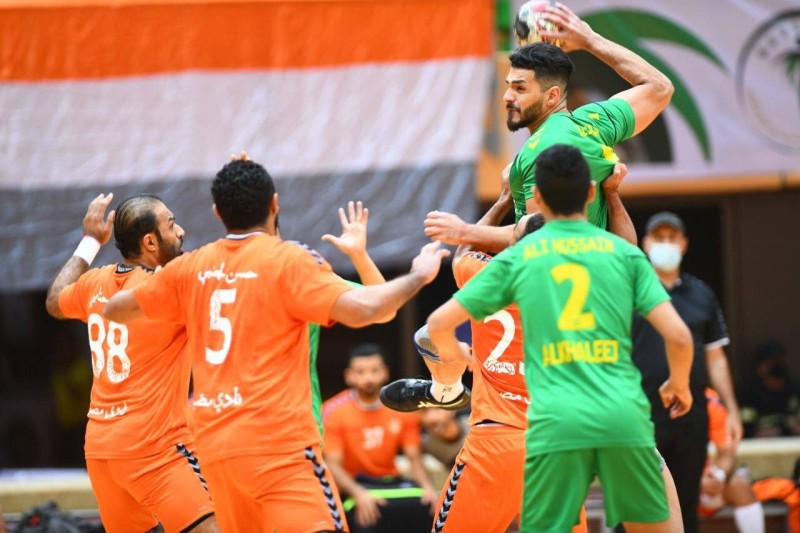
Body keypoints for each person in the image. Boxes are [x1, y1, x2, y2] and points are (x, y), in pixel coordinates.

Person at [104, 157, 450, 532]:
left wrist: (164, 286)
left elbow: (115, 309)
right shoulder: (292, 264)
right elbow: (374, 308)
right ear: (274, 204)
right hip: (280, 443)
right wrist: (419, 275)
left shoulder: (192, 268)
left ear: (217, 212)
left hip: (216, 447)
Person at [424, 144, 693, 531]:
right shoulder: (619, 259)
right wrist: (678, 384)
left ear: (536, 196)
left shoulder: (514, 265)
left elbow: (437, 323)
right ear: (590, 192)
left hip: (524, 431)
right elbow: (680, 337)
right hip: (608, 419)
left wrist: (455, 367)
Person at [423, 2, 674, 251]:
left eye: (520, 88)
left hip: (563, 274)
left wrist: (464, 231)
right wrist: (590, 40)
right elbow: (660, 88)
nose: (507, 97)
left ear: (552, 96)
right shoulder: (594, 122)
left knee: (466, 265)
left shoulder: (546, 148)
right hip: (594, 267)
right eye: (509, 86)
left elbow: (544, 236)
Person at [45, 194, 218, 532]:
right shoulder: (167, 289)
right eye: (171, 224)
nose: (181, 230)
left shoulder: (94, 283)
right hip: (155, 447)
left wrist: (91, 241)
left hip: (102, 452)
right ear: (150, 242)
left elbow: (54, 301)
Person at [631, 210, 743, 533]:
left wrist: (731, 409)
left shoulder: (701, 294)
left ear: (683, 244)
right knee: (636, 505)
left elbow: (716, 358)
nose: (666, 244)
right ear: (646, 244)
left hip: (691, 416)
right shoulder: (629, 291)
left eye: (672, 237)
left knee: (687, 504)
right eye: (659, 238)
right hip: (640, 414)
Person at [322, 344, 437, 532]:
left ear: (385, 372)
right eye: (360, 372)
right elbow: (332, 464)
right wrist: (358, 493)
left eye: (374, 371)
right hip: (353, 485)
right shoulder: (333, 410)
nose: (368, 378)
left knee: (428, 509)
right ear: (349, 376)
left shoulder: (402, 408)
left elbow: (414, 458)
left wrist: (428, 488)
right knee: (366, 517)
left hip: (391, 481)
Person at [698, 388, 765, 532]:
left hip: (703, 482)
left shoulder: (708, 399)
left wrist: (718, 477)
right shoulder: (651, 396)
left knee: (739, 484)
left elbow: (727, 452)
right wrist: (692, 482)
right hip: (663, 482)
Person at [740, 340, 800, 438]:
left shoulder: (794, 390)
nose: (775, 367)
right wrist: (779, 430)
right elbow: (747, 432)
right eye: (769, 364)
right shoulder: (750, 394)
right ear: (759, 368)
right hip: (762, 446)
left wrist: (790, 427)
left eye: (778, 362)